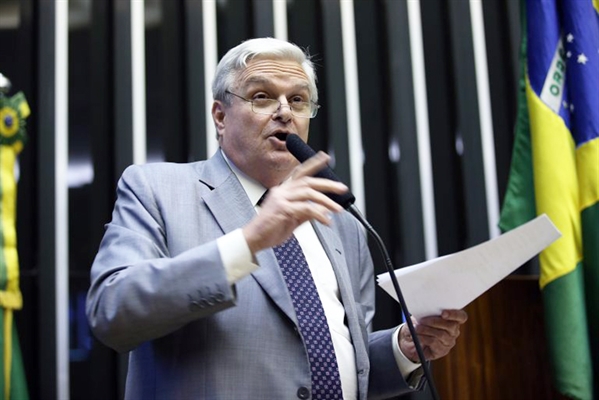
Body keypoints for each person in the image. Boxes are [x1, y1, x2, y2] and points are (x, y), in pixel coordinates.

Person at [86, 37, 468, 400]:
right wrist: (249, 241)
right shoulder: (157, 190)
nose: (284, 111)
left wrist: (404, 348)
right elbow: (113, 311)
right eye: (262, 96)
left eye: (298, 100)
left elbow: (342, 361)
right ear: (220, 116)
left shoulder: (342, 225)